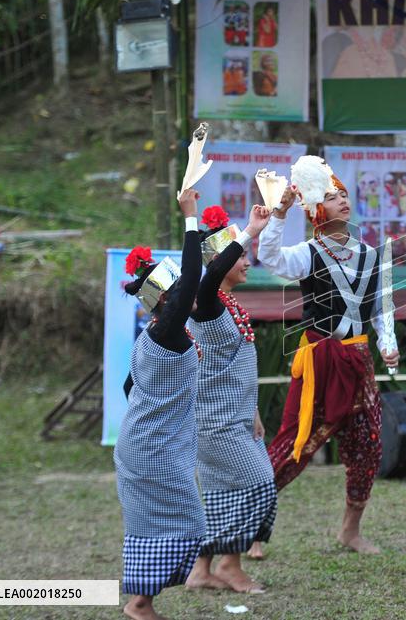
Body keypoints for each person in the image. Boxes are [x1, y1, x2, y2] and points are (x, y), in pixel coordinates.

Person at [256, 156, 399, 557]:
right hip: (319, 361)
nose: (343, 201)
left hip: (358, 359)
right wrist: (280, 214)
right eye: (333, 197)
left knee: (368, 444)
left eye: (345, 195)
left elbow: (382, 307)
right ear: (318, 208)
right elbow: (270, 259)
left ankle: (350, 531)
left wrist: (388, 342)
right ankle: (252, 527)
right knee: (295, 444)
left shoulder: (373, 256)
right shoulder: (306, 253)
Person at [116, 188, 206, 620]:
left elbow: (128, 388)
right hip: (152, 449)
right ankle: (139, 604)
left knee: (160, 524)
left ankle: (142, 602)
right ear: (166, 302)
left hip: (146, 443)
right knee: (186, 522)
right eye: (179, 294)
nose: (189, 298)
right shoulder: (165, 332)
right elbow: (192, 282)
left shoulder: (154, 337)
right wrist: (190, 219)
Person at [184, 205, 276, 593]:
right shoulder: (206, 306)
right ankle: (228, 564)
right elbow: (208, 279)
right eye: (240, 257)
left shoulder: (232, 307)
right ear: (220, 263)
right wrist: (250, 231)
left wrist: (252, 408)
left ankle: (201, 571)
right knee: (259, 484)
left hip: (236, 417)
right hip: (214, 421)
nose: (247, 261)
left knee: (225, 491)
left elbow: (233, 366)